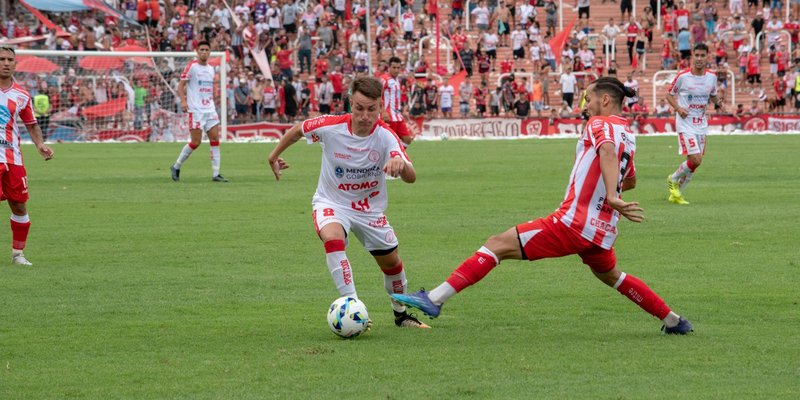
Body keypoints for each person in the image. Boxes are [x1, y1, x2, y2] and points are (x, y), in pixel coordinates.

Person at [390, 76, 694, 335]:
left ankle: (434, 299)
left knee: (497, 244)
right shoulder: (628, 133)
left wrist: (611, 197)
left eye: (588, 99)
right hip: (602, 229)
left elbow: (607, 151)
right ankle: (673, 320)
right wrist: (609, 194)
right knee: (613, 276)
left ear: (604, 100)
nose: (585, 105)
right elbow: (631, 180)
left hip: (574, 223)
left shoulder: (599, 123)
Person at [267, 76, 429, 329]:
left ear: (381, 107)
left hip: (369, 210)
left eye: (371, 109)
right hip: (331, 202)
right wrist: (274, 156)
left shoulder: (386, 136)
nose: (365, 116)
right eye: (359, 108)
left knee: (392, 264)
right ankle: (352, 306)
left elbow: (412, 177)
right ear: (350, 103)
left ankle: (401, 315)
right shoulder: (331, 126)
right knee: (333, 239)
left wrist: (402, 166)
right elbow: (299, 129)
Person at [0, 47, 54, 266]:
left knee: (19, 205)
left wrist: (40, 144)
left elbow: (31, 124)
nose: (5, 63)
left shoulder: (22, 95)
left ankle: (18, 254)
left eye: (9, 59)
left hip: (13, 158)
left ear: (15, 64)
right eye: (1, 59)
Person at [665, 43, 724, 205]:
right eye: (696, 55)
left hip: (701, 124)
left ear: (707, 57)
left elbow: (712, 95)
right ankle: (673, 178)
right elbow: (669, 95)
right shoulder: (683, 76)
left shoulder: (711, 77)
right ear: (692, 56)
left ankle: (676, 194)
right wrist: (678, 109)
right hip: (685, 124)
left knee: (694, 164)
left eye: (702, 55)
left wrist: (718, 102)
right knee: (695, 160)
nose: (699, 59)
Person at [170, 41, 227, 182]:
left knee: (215, 139)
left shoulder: (211, 69)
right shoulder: (192, 67)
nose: (204, 52)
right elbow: (181, 85)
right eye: (202, 49)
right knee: (196, 142)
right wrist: (183, 101)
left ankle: (216, 174)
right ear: (197, 51)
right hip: (196, 110)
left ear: (210, 52)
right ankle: (176, 166)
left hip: (210, 109)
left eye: (207, 50)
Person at [382, 57, 414, 147]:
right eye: (394, 67)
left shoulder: (397, 80)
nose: (396, 70)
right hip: (388, 116)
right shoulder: (384, 79)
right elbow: (377, 95)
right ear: (389, 67)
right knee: (389, 143)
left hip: (398, 116)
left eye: (398, 68)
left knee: (407, 140)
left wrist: (403, 110)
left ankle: (396, 154)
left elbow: (396, 98)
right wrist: (383, 111)